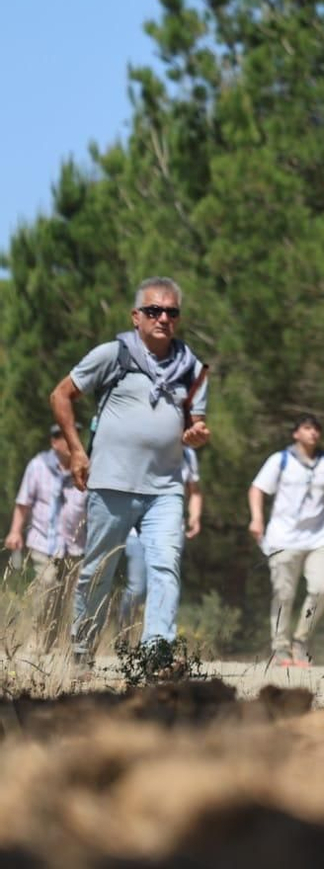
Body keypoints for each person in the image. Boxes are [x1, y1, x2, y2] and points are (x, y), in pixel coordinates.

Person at [51, 276, 210, 672]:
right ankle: (83, 651)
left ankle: (156, 658)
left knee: (165, 565)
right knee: (98, 570)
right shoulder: (113, 354)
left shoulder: (192, 366)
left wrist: (196, 435)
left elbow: (197, 426)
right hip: (111, 483)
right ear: (136, 316)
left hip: (166, 488)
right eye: (154, 310)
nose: (163, 318)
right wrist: (75, 451)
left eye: (171, 312)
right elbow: (61, 395)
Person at [248, 415, 324, 667]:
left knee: (321, 589)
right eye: (307, 428)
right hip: (283, 537)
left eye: (317, 429)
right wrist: (257, 519)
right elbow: (257, 488)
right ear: (296, 433)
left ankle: (301, 641)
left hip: (317, 537)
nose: (313, 433)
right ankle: (280, 646)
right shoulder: (281, 460)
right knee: (284, 593)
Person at [6, 423, 89, 649]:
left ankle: (58, 643)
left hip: (75, 545)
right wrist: (15, 531)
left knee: (68, 597)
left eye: (75, 436)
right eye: (65, 437)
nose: (71, 441)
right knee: (47, 585)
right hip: (43, 541)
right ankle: (38, 639)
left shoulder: (85, 467)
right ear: (54, 441)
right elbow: (24, 502)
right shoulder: (37, 466)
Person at [119, 447, 202, 637]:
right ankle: (123, 631)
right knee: (137, 588)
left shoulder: (188, 455)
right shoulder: (145, 444)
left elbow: (195, 491)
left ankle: (158, 642)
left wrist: (195, 517)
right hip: (136, 531)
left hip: (172, 530)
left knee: (165, 581)